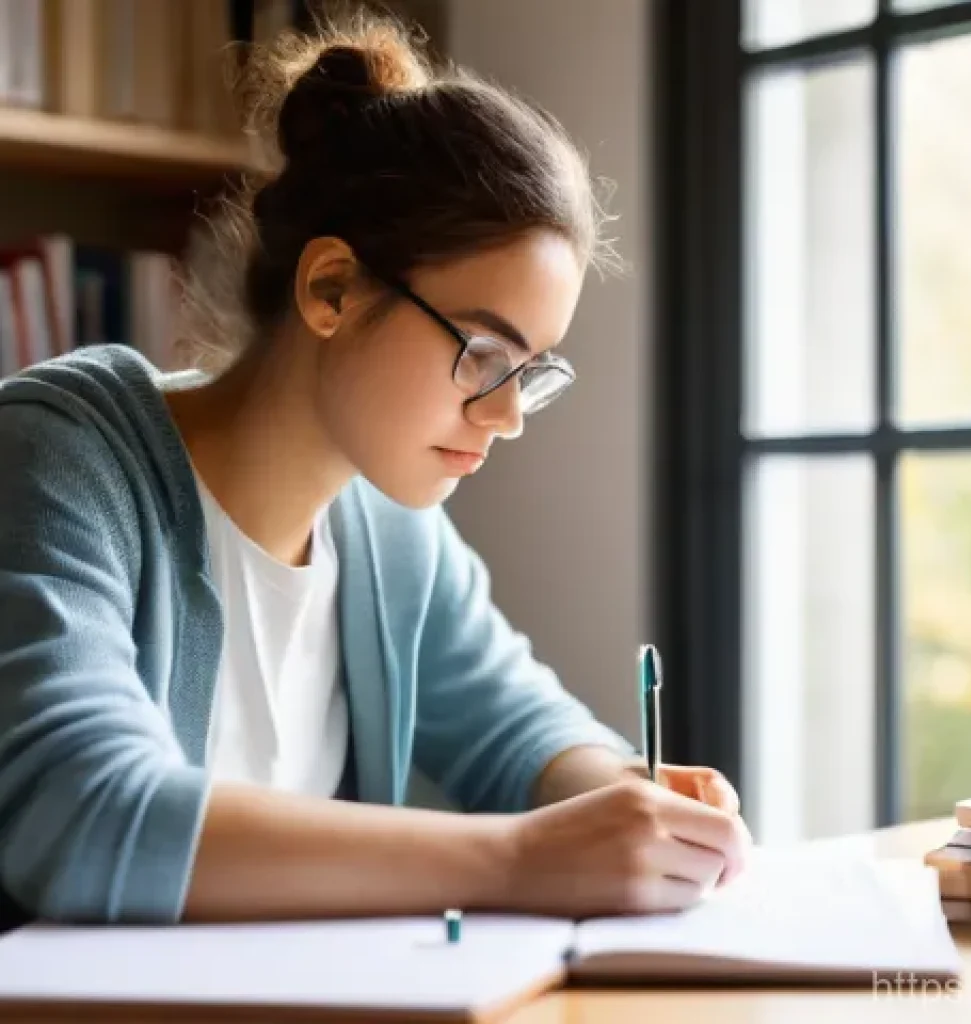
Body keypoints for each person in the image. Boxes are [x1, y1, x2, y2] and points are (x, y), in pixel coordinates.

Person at [0, 10, 751, 928]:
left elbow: (520, 732)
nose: (509, 414)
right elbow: (87, 819)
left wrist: (631, 800)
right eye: (481, 353)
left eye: (531, 373)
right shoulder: (63, 458)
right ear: (331, 290)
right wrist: (523, 858)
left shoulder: (387, 531)